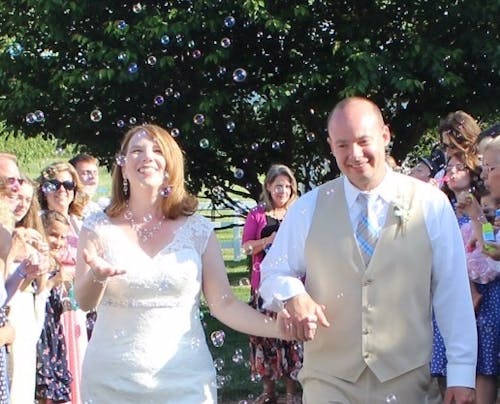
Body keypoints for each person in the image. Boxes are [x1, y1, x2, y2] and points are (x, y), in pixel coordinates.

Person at [259, 96, 477, 403]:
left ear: (385, 135)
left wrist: (462, 371)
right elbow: (273, 272)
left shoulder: (431, 204)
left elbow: (452, 290)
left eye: (363, 141)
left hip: (407, 379)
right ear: (331, 145)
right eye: (342, 145)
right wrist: (292, 294)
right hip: (328, 378)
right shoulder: (308, 208)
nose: (355, 154)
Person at [74, 124, 290, 403]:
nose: (147, 157)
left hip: (186, 378)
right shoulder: (97, 226)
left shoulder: (198, 229)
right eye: (136, 150)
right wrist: (98, 275)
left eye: (157, 150)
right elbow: (85, 302)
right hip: (112, 380)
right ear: (123, 167)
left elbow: (224, 304)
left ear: (171, 165)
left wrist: (279, 329)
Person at [241, 164, 302, 404]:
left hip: (291, 286)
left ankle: (290, 393)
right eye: (278, 186)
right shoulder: (257, 214)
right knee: (262, 338)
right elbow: (246, 247)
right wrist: (268, 240)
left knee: (289, 339)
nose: (283, 191)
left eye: (287, 186)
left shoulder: (297, 213)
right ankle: (269, 391)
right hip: (263, 287)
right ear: (268, 186)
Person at [37, 161, 88, 404]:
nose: (61, 190)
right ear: (43, 188)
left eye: (68, 185)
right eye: (54, 184)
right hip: (47, 307)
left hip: (76, 309)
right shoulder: (36, 222)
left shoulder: (81, 225)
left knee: (80, 364)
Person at [36, 210, 73, 404]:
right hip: (40, 333)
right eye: (53, 235)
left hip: (54, 334)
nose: (58, 242)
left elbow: (67, 305)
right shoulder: (37, 261)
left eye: (63, 237)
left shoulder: (58, 264)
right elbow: (36, 297)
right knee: (43, 390)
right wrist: (53, 282)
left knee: (55, 392)